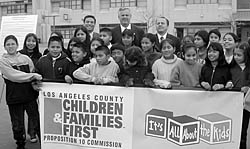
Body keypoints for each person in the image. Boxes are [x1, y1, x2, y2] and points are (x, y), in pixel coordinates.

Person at [0, 35, 42, 149]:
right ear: (4, 46)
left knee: (36, 121)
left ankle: (43, 143)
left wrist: (34, 80)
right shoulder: (3, 60)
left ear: (17, 45)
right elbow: (13, 76)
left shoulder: (25, 58)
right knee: (17, 125)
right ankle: (20, 144)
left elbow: (33, 70)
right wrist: (32, 76)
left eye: (12, 43)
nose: (10, 46)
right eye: (8, 44)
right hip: (14, 97)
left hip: (29, 96)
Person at [19, 33, 42, 143]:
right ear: (25, 42)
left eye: (33, 41)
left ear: (36, 43)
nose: (31, 43)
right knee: (19, 113)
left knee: (33, 112)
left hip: (32, 88)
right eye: (29, 41)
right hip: (20, 87)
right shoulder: (19, 54)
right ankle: (21, 134)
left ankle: (32, 133)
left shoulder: (39, 55)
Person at [229, 42, 250, 149]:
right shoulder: (231, 68)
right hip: (233, 102)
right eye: (235, 55)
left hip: (246, 104)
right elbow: (228, 80)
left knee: (243, 129)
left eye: (239, 55)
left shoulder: (248, 68)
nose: (236, 57)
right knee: (233, 127)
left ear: (246, 55)